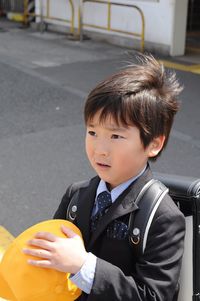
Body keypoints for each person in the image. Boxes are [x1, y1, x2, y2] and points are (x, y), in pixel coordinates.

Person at [23, 54, 185, 301]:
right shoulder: (76, 196)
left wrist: (83, 266)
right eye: (92, 132)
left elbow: (153, 296)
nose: (99, 149)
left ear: (153, 144)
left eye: (115, 136)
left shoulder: (163, 217)